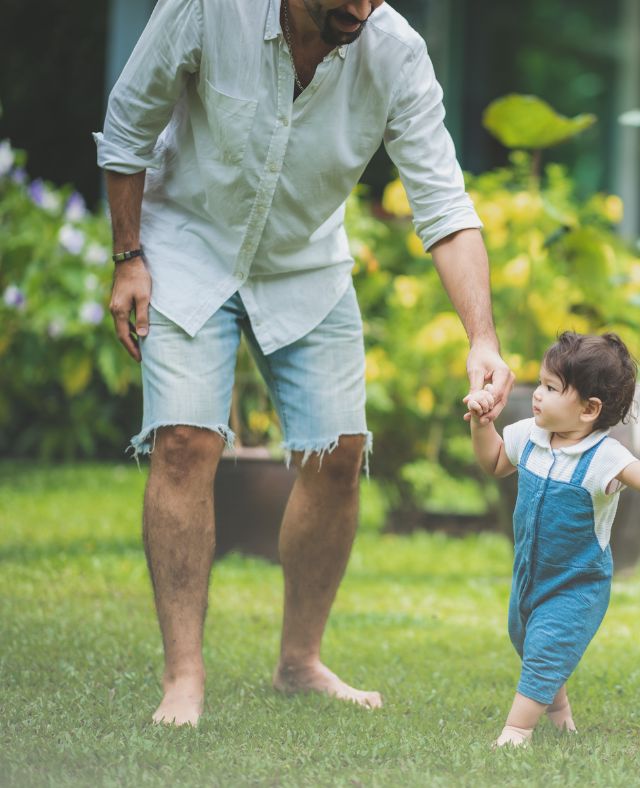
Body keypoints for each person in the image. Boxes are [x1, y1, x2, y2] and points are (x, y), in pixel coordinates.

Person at [95, 0, 513, 727]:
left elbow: (443, 204)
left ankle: (300, 661)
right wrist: (127, 255)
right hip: (186, 246)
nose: (358, 7)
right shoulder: (206, 9)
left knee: (340, 454)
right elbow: (129, 126)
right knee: (185, 442)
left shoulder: (396, 53)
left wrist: (483, 338)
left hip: (304, 264)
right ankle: (183, 677)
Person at [466, 332, 640, 747]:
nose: (538, 395)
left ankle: (516, 731)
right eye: (541, 383)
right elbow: (494, 462)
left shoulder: (605, 457)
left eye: (552, 388)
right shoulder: (528, 435)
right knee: (525, 639)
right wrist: (483, 424)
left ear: (589, 409)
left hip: (577, 585)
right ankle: (560, 714)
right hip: (529, 575)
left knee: (545, 650)